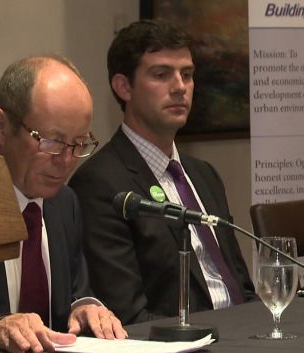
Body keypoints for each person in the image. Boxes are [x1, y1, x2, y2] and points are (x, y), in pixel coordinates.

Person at [0, 55, 127, 353]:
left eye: (79, 143)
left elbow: (74, 291)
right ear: (0, 127)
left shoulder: (64, 202)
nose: (67, 161)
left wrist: (85, 306)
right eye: (52, 142)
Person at [69, 20, 254, 324]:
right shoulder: (99, 184)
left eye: (187, 74)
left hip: (243, 337)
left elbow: (241, 286)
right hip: (183, 352)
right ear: (123, 87)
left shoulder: (204, 174)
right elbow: (128, 315)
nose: (180, 86)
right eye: (161, 74)